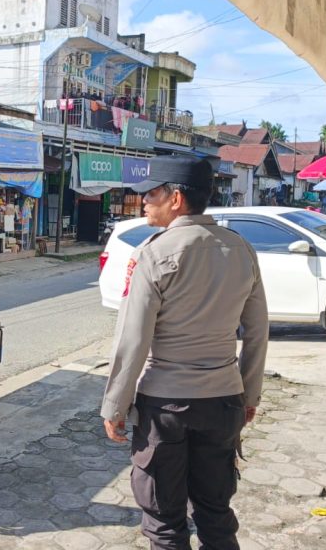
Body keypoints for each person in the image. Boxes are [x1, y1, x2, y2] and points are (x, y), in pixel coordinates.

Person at [100, 156, 268, 550]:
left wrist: (115, 405)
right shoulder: (240, 249)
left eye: (151, 193)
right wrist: (249, 395)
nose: (143, 202)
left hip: (165, 408)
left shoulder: (153, 253)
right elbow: (258, 330)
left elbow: (133, 339)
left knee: (164, 521)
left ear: (176, 199)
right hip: (223, 402)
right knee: (215, 515)